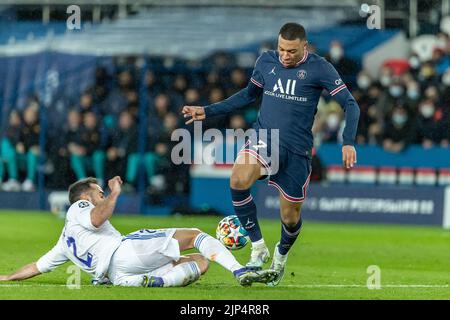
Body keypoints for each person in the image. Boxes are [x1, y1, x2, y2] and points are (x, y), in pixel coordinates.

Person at [182, 22, 360, 286]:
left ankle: (279, 257)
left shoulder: (320, 67)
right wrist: (208, 111)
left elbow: (350, 103)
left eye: (291, 51)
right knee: (238, 179)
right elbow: (248, 95)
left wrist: (348, 141)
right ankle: (257, 248)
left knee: (290, 218)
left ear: (304, 46)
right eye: (281, 49)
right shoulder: (266, 61)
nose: (285, 56)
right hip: (265, 139)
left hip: (297, 150)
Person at [0, 176, 277, 287]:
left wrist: (7, 277)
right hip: (125, 252)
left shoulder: (63, 242)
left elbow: (37, 267)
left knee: (200, 262)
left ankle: (159, 282)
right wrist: (116, 194)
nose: (103, 193)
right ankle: (240, 270)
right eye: (100, 191)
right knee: (194, 234)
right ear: (86, 195)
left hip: (118, 276)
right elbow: (97, 218)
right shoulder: (78, 207)